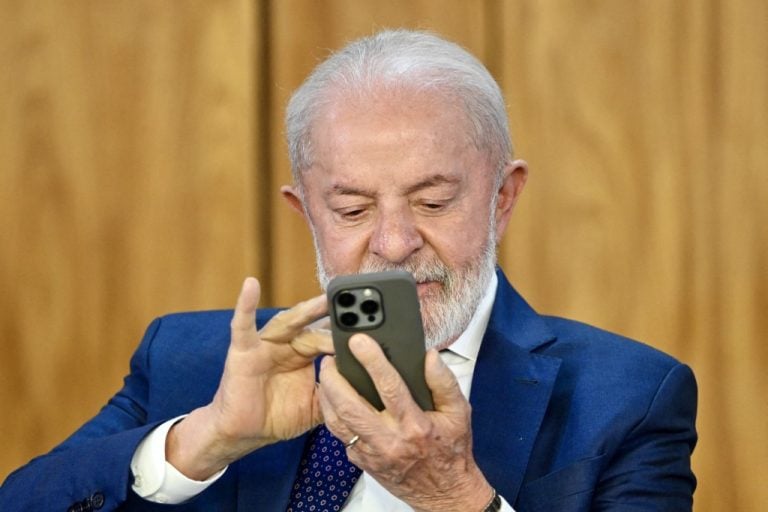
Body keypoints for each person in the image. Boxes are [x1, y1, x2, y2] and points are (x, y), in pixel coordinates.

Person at [0, 29, 697, 511]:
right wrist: (206, 439)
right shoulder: (188, 359)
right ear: (305, 212)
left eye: (432, 201)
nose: (393, 244)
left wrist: (455, 496)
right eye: (353, 209)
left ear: (502, 198)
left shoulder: (628, 399)